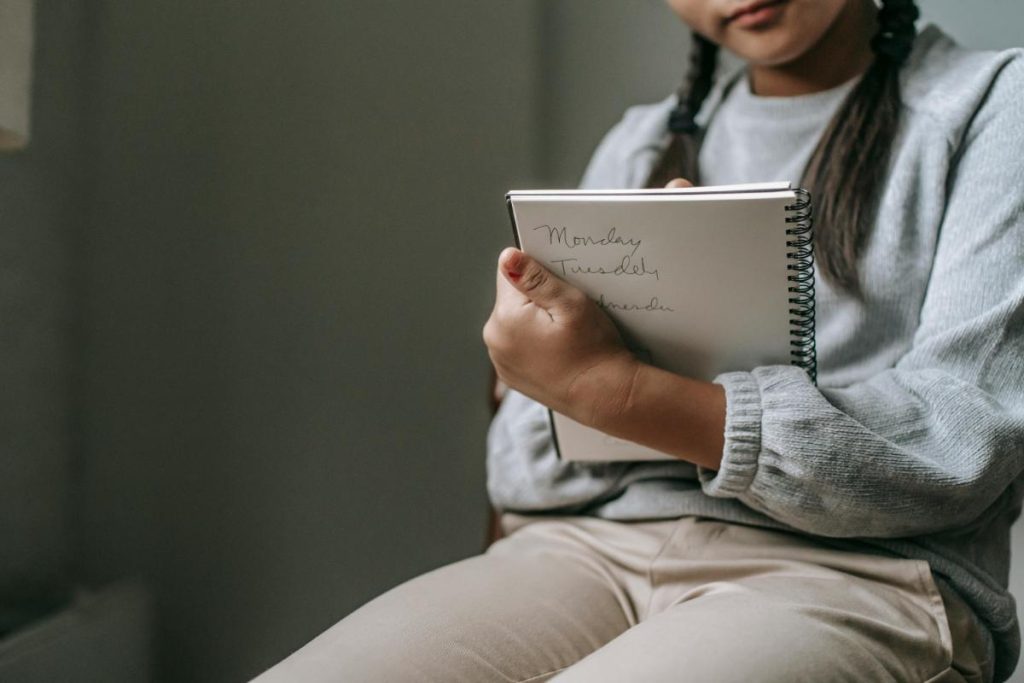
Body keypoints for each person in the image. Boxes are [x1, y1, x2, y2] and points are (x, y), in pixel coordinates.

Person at [254, 1, 1024, 681]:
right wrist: (556, 381)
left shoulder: (992, 105)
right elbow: (529, 473)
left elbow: (961, 443)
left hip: (862, 578)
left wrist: (617, 392)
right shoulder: (640, 144)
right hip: (589, 551)